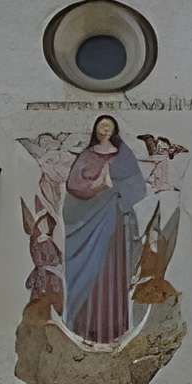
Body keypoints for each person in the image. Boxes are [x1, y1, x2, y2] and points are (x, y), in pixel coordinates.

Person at [61, 113, 147, 345]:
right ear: (96, 130)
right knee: (90, 267)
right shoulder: (87, 155)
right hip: (90, 220)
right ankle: (84, 329)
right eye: (102, 125)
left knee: (113, 268)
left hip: (115, 219)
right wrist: (99, 184)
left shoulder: (123, 155)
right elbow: (74, 185)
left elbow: (137, 186)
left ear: (115, 129)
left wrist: (116, 186)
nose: (105, 129)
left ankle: (115, 331)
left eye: (109, 125)